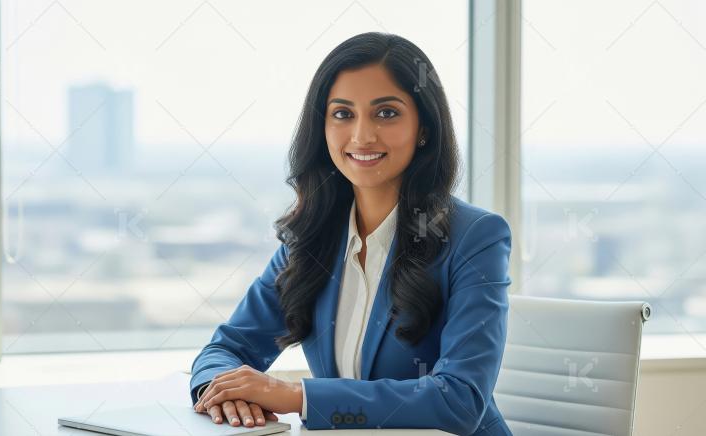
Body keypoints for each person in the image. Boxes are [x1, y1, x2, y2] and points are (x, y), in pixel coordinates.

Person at [190, 31, 513, 435]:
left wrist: (297, 396)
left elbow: (459, 400)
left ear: (424, 128)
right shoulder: (310, 237)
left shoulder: (476, 237)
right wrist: (224, 392)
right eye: (343, 114)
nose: (362, 136)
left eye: (386, 113)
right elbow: (226, 349)